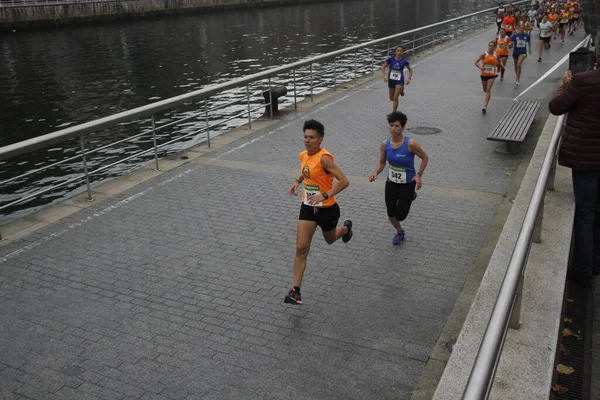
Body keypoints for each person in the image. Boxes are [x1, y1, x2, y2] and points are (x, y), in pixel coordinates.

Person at [285, 119, 353, 304]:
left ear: (320, 139)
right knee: (301, 248)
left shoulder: (325, 158)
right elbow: (307, 171)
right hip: (308, 207)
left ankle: (346, 229)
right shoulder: (303, 155)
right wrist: (298, 181)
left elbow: (344, 181)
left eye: (312, 138)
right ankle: (295, 291)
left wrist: (326, 194)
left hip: (327, 209)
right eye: (305, 137)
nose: (307, 140)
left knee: (330, 239)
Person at [548, 48, 600, 289]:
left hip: (587, 158)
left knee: (586, 211)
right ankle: (595, 262)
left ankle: (582, 268)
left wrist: (565, 85)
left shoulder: (583, 81)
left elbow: (557, 107)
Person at [368, 112, 428, 245]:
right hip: (392, 182)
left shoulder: (410, 144)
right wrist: (376, 172)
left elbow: (425, 157)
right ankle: (400, 231)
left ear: (403, 128)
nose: (394, 128)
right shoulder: (385, 144)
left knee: (401, 215)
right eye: (391, 125)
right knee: (390, 212)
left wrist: (419, 175)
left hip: (407, 183)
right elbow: (382, 162)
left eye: (397, 126)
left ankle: (411, 195)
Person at [475, 41, 505, 113]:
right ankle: (488, 96)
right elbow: (476, 62)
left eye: (492, 46)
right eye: (490, 46)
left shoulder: (496, 54)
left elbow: (499, 62)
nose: (491, 47)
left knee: (488, 90)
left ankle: (485, 106)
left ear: (494, 47)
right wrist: (481, 68)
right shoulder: (484, 54)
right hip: (484, 74)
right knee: (485, 90)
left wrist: (501, 66)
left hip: (492, 75)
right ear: (488, 46)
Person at [382, 45, 414, 113]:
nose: (399, 52)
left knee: (395, 98)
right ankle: (401, 90)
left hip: (400, 81)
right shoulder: (390, 59)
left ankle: (394, 113)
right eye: (398, 51)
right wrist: (384, 76)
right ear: (395, 52)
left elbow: (410, 70)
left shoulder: (404, 61)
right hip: (391, 80)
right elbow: (383, 67)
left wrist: (409, 78)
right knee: (391, 98)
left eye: (400, 51)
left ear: (403, 52)